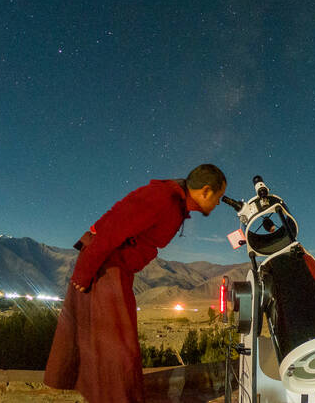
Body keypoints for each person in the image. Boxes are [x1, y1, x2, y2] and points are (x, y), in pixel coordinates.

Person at [44, 164, 227, 403]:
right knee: (120, 348)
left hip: (115, 269)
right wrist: (83, 271)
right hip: (106, 268)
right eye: (219, 197)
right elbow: (112, 228)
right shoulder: (162, 198)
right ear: (205, 191)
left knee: (110, 345)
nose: (218, 203)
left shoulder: (174, 202)